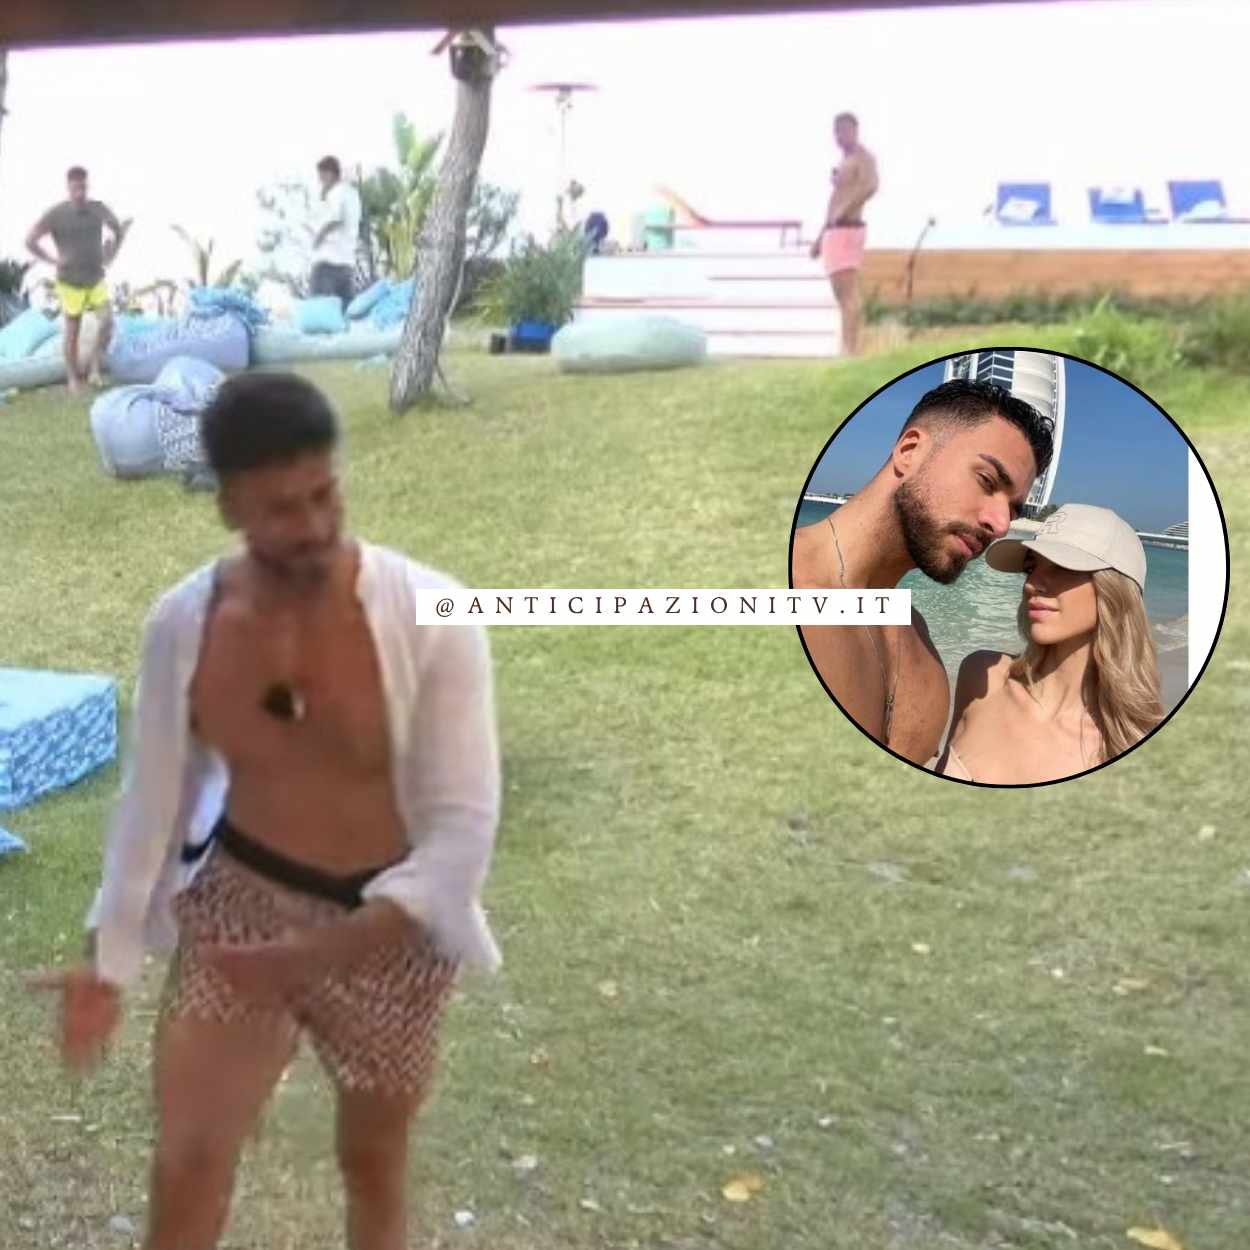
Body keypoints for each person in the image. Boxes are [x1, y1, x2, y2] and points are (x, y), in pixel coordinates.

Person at [28, 372, 502, 1250]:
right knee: (188, 1159)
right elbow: (153, 800)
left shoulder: (433, 616)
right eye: (281, 508)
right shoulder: (186, 624)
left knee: (373, 1165)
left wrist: (322, 951)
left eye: (326, 494)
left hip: (388, 931)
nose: (314, 525)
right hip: (240, 910)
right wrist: (108, 960)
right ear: (228, 507)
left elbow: (462, 832)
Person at [790, 378, 1054, 765]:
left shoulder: (922, 645)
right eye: (986, 480)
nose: (1001, 524)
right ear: (909, 451)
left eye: (1014, 509)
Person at [933, 504, 1163, 784]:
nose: (1033, 583)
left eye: (1062, 567)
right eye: (1031, 568)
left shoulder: (1123, 747)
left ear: (1114, 590)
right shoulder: (983, 676)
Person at [25, 166, 129, 394]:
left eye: (83, 188)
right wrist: (52, 260)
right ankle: (73, 380)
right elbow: (30, 241)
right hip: (69, 281)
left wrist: (111, 252)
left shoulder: (98, 209)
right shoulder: (56, 213)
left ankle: (94, 368)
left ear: (87, 185)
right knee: (73, 331)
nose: (79, 193)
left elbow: (118, 230)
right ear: (68, 188)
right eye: (75, 188)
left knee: (107, 321)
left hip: (95, 278)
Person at [809, 112, 879, 357]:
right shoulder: (844, 160)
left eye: (845, 130)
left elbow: (871, 185)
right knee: (840, 294)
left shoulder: (863, 157)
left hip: (848, 228)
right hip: (834, 230)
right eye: (836, 131)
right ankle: (847, 348)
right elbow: (835, 200)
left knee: (848, 294)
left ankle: (852, 351)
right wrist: (820, 238)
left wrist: (844, 210)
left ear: (855, 130)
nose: (840, 136)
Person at [310, 155, 363, 306]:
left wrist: (317, 239)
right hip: (347, 263)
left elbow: (334, 219)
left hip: (327, 262)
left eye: (321, 177)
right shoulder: (353, 194)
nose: (320, 181)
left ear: (329, 173)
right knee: (345, 312)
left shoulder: (337, 192)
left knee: (320, 311)